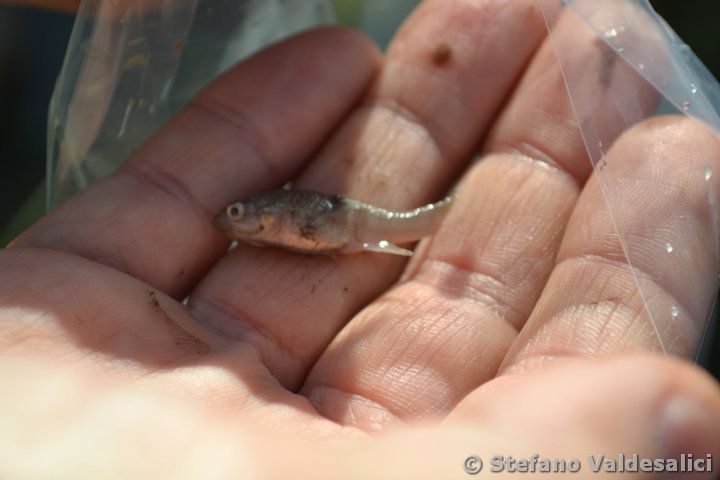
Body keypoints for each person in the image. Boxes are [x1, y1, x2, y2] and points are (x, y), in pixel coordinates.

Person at [1, 0, 719, 477]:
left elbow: (311, 228)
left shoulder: (290, 221)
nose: (241, 223)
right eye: (245, 220)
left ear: (269, 216)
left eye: (248, 217)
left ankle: (455, 205)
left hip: (354, 223)